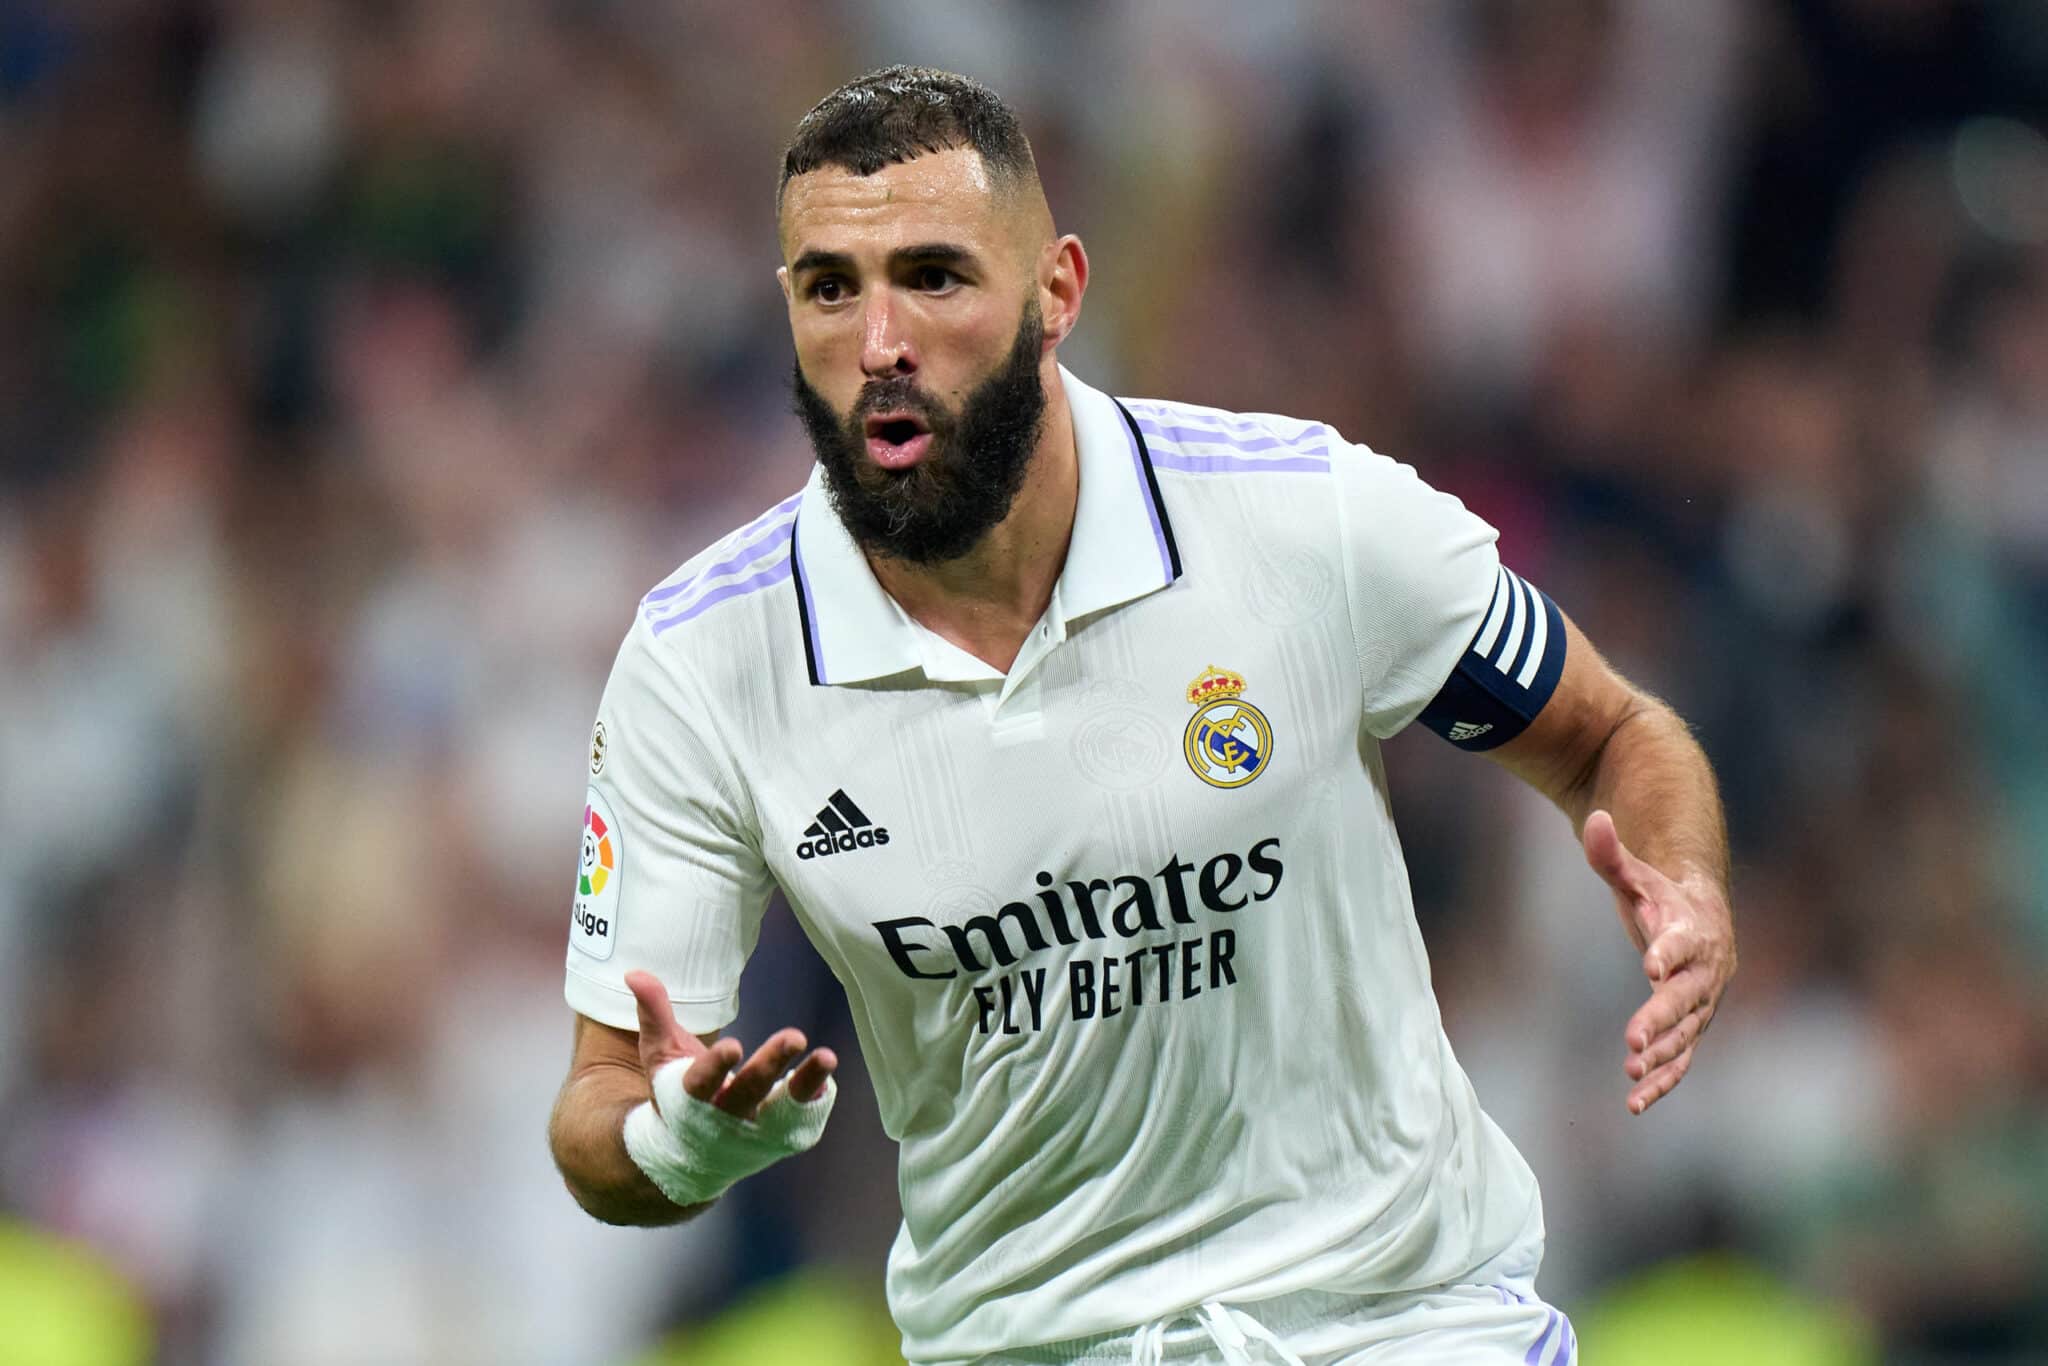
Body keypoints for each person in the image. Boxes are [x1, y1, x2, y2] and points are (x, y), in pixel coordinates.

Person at [545, 65, 1735, 1366]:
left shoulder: (1305, 520)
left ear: (1057, 291)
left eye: (934, 277)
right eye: (831, 288)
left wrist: (1685, 883)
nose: (880, 340)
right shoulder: (703, 661)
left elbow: (1611, 734)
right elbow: (600, 1101)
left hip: (1393, 1324)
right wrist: (681, 1138)